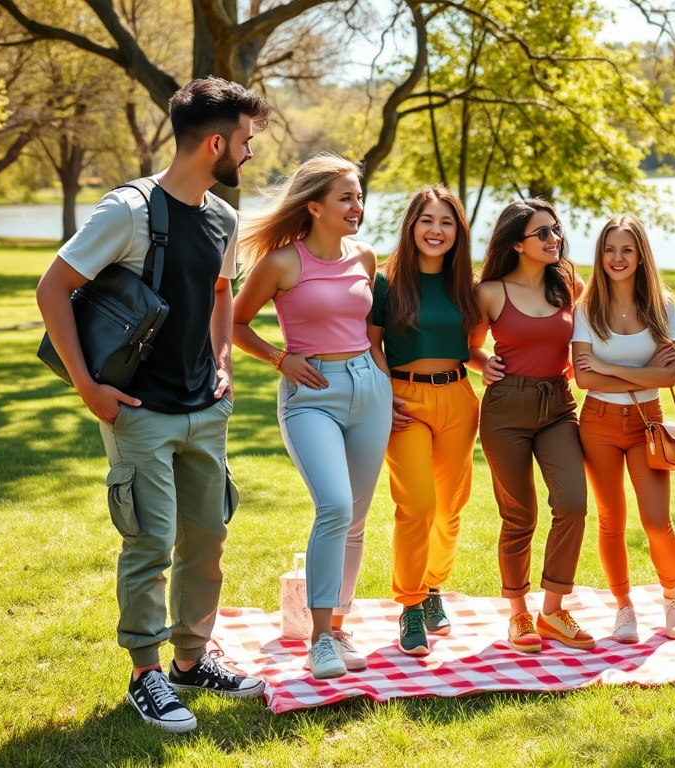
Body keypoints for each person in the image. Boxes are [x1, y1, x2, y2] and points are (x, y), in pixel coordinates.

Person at [36, 77, 270, 733]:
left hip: (205, 410)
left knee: (208, 539)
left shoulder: (223, 217)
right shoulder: (129, 210)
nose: (250, 154)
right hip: (138, 408)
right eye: (246, 142)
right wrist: (87, 386)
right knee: (149, 542)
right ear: (216, 142)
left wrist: (223, 359)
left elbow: (223, 292)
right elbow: (53, 288)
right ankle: (146, 674)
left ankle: (191, 662)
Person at [232, 153, 391, 680]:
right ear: (315, 205)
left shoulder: (364, 256)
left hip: (369, 389)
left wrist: (386, 381)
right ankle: (319, 638)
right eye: (346, 197)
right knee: (335, 506)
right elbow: (234, 324)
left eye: (359, 196)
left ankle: (339, 624)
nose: (357, 206)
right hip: (311, 394)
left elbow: (371, 331)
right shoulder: (282, 263)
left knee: (358, 517)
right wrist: (280, 357)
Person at [469, 198, 592, 653]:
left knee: (573, 504)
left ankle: (553, 609)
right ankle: (519, 613)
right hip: (505, 411)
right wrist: (483, 365)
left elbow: (589, 337)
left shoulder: (568, 285)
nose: (553, 239)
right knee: (519, 515)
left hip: (558, 407)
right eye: (542, 233)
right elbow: (469, 346)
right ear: (517, 243)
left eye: (555, 230)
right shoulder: (490, 292)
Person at [367, 186, 481, 656]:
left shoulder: (466, 287)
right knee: (416, 505)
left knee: (450, 508)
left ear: (458, 232)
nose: (437, 230)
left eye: (447, 222)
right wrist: (381, 392)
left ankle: (434, 586)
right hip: (404, 402)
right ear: (411, 225)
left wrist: (485, 362)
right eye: (427, 221)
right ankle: (410, 604)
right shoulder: (385, 282)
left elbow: (469, 347)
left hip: (458, 398)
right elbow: (372, 344)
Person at [571, 214, 675, 643]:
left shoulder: (663, 304)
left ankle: (672, 599)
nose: (617, 258)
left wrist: (607, 367)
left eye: (626, 250)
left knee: (657, 521)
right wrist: (638, 372)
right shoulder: (586, 308)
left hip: (648, 424)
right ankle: (624, 609)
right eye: (609, 249)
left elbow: (668, 378)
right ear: (600, 254)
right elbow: (585, 380)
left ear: (641, 256)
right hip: (598, 423)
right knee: (610, 520)